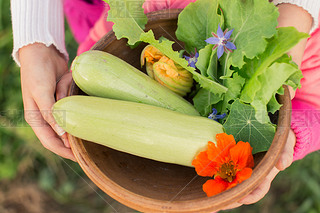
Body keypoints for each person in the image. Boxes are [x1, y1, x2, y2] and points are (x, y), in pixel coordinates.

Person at [10, 0, 320, 210]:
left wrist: (288, 131)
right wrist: (37, 41)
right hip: (116, 16)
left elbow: (313, 109)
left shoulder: (307, 61)